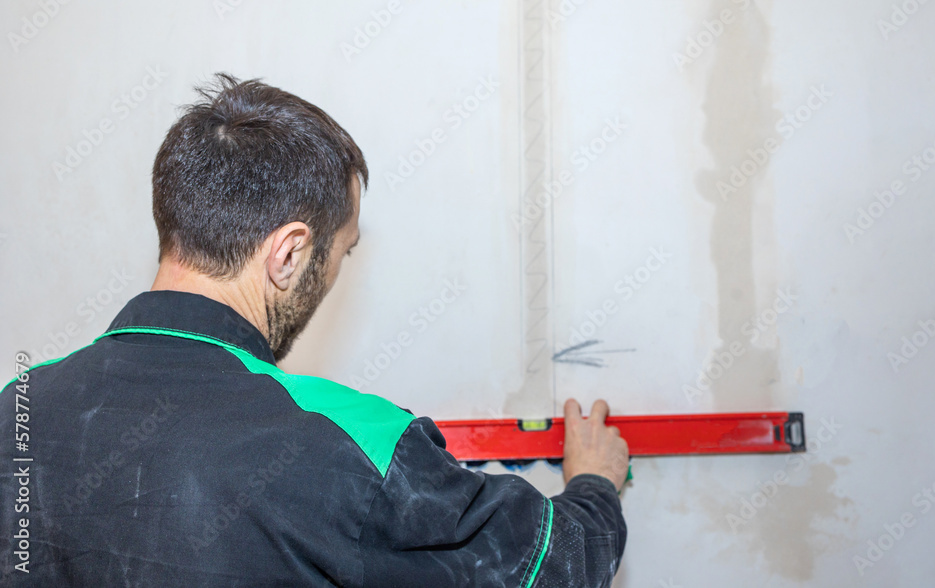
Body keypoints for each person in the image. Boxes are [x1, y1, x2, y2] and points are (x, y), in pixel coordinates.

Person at [0, 73, 629, 587]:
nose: (333, 276)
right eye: (341, 253)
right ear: (290, 253)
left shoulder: (18, 409)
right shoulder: (349, 441)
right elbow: (559, 567)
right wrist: (594, 481)